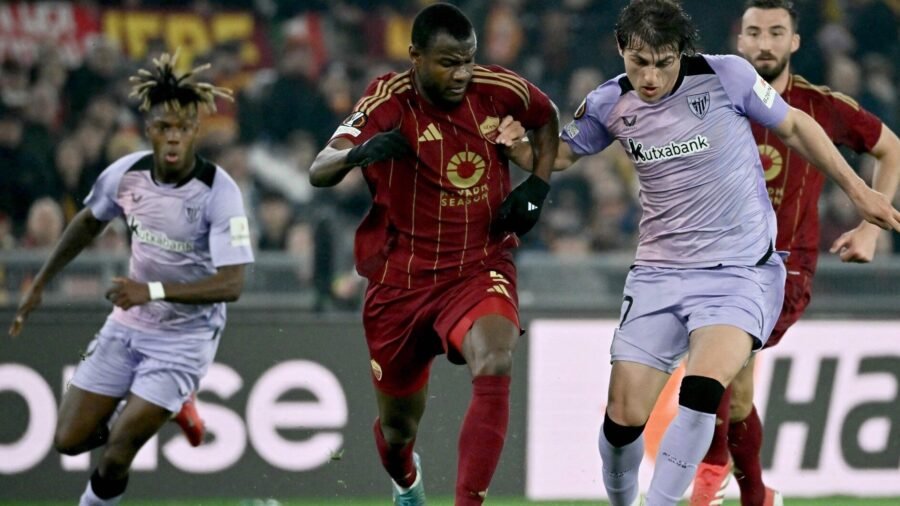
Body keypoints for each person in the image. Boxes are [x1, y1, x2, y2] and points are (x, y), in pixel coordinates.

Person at [506, 1, 900, 504]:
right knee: (622, 420)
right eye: (639, 62)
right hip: (658, 274)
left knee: (704, 392)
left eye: (664, 63)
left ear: (683, 52)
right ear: (621, 49)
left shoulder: (726, 76)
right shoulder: (609, 102)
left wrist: (859, 193)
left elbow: (796, 127)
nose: (651, 77)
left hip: (741, 273)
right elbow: (560, 155)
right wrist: (518, 148)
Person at [309, 3, 559, 505]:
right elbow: (320, 168)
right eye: (448, 62)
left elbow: (547, 116)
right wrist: (359, 152)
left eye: (468, 60)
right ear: (415, 56)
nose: (462, 73)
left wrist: (537, 186)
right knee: (398, 431)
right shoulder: (388, 99)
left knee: (495, 358)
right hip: (400, 282)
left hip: (478, 265)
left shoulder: (497, 88)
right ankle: (407, 482)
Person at [8, 50, 254, 505]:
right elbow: (88, 221)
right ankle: (169, 407)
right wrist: (40, 282)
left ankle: (158, 409)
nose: (173, 136)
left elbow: (232, 284)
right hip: (127, 327)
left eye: (183, 127)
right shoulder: (126, 174)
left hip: (185, 339)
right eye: (164, 127)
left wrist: (151, 290)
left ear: (196, 130)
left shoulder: (219, 192)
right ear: (148, 129)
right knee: (68, 440)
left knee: (118, 449)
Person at [690, 2, 900, 505]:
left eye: (776, 32)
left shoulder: (820, 106)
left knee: (718, 361)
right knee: (737, 395)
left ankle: (710, 472)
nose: (764, 43)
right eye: (755, 32)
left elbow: (891, 147)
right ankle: (758, 495)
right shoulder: (709, 100)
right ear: (739, 39)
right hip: (719, 263)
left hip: (785, 269)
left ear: (795, 42)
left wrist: (870, 229)